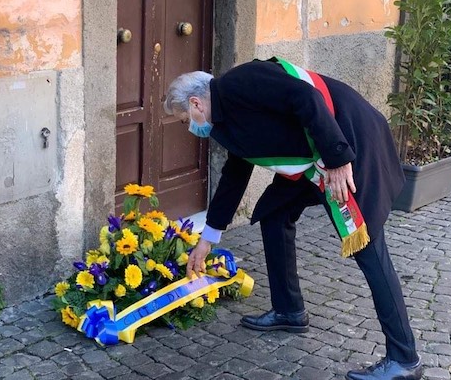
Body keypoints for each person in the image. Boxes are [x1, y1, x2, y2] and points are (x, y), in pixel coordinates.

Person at [163, 58, 423, 380]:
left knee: (368, 248)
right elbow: (235, 175)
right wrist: (208, 239)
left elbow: (307, 98)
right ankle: (289, 309)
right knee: (274, 213)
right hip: (315, 160)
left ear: (196, 103)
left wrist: (339, 158)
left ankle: (404, 358)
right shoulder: (225, 120)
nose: (189, 126)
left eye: (184, 119)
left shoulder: (241, 82)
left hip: (347, 143)